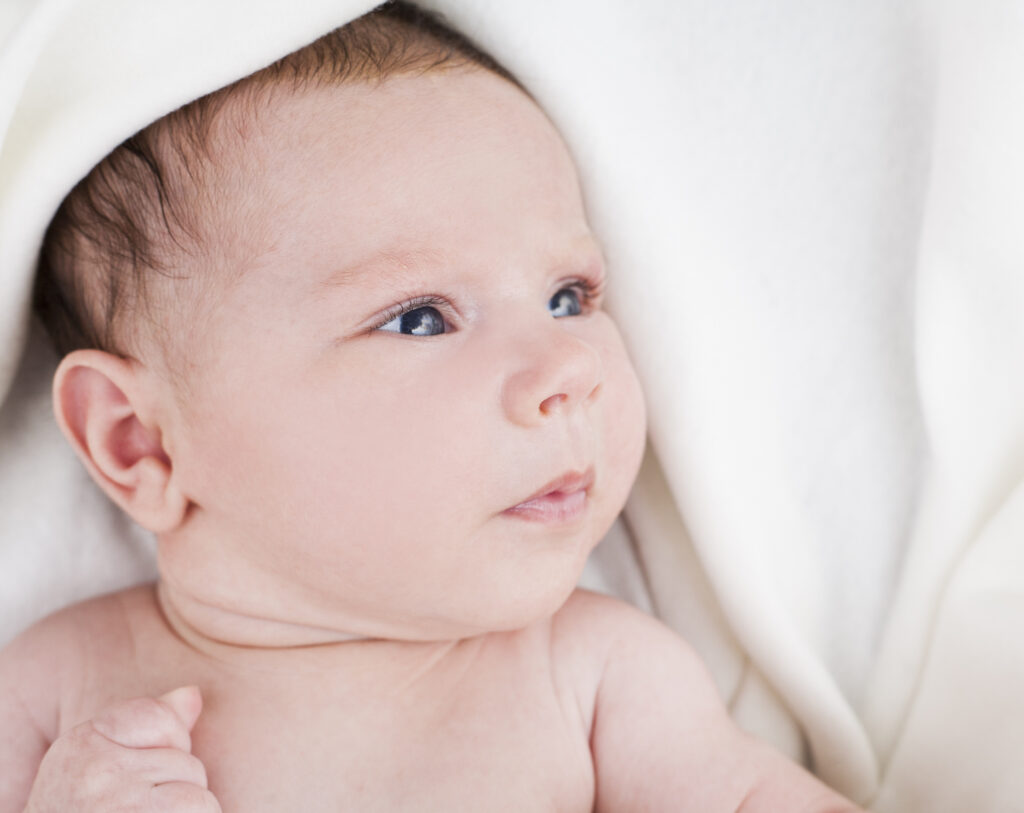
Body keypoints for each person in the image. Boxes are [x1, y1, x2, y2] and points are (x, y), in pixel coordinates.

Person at [0, 2, 866, 810]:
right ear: (138, 441)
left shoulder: (596, 678)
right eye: (421, 318)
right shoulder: (56, 691)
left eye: (569, 296)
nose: (569, 364)